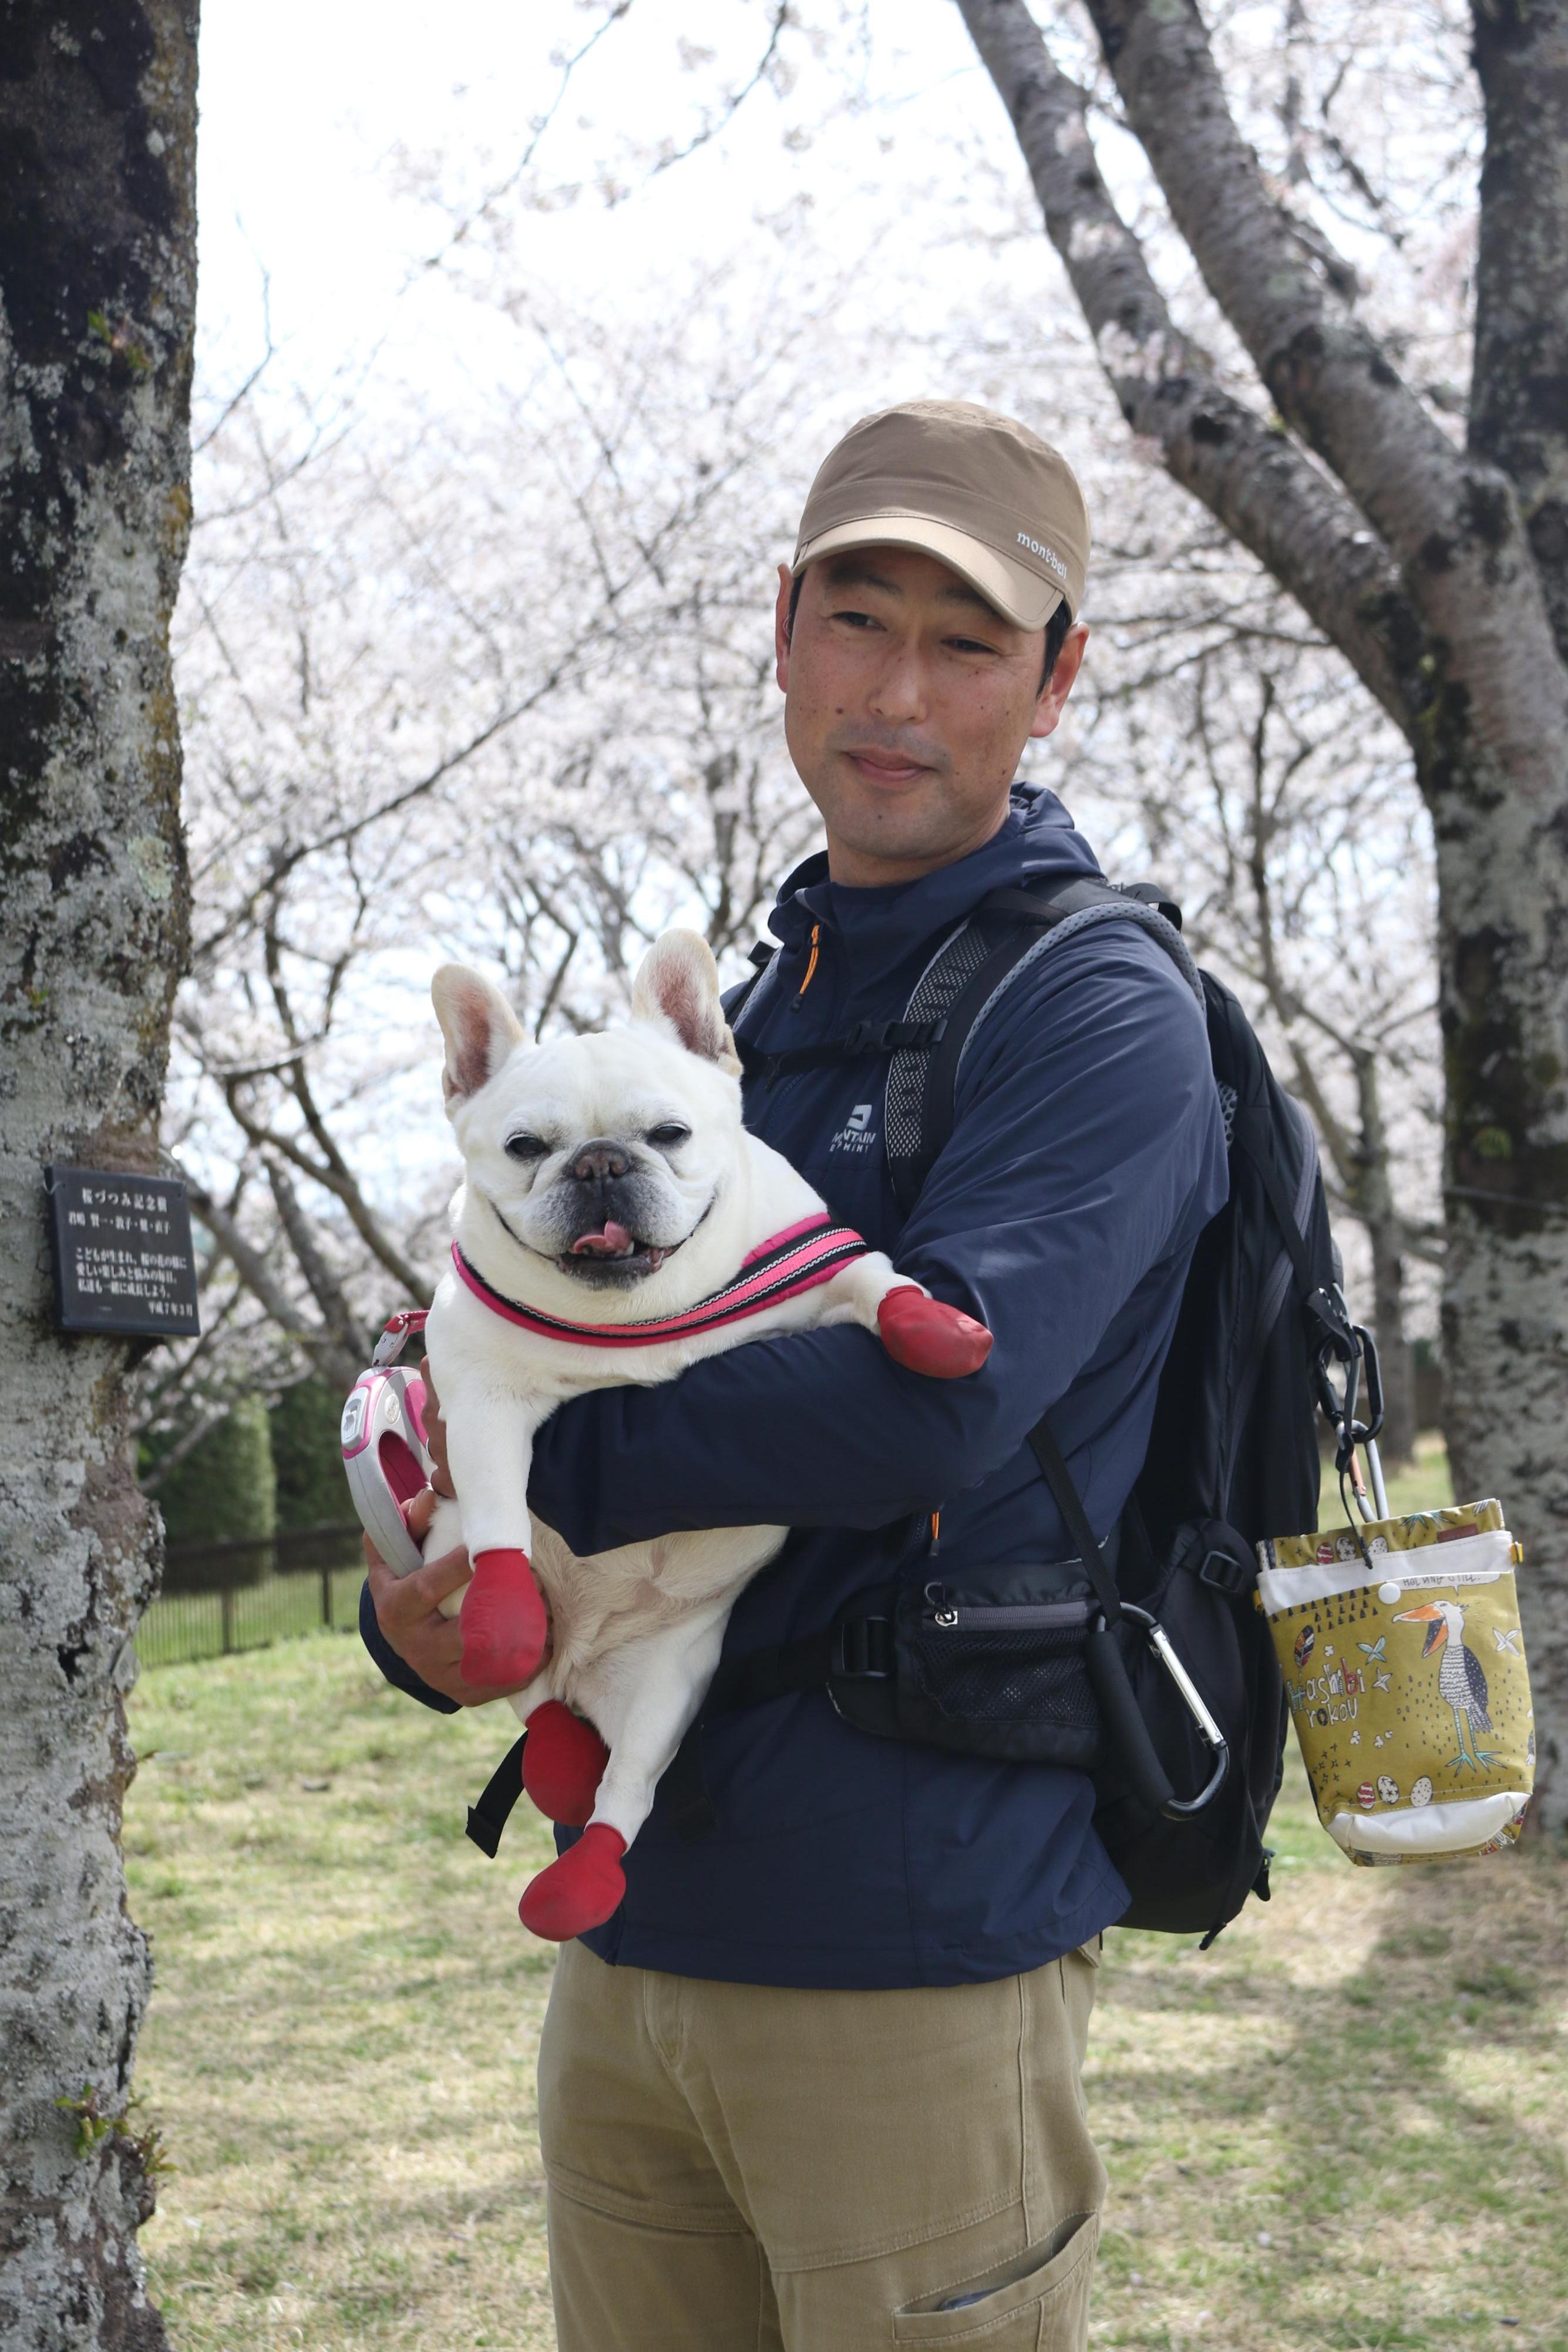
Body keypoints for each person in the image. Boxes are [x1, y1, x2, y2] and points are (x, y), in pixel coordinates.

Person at [362, 400, 1227, 2350]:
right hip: (640, 1923)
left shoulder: (1090, 1007)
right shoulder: (743, 1018)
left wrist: (532, 1490)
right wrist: (423, 1571)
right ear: (781, 633)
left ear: (1060, 678)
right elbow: (520, 1333)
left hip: (910, 1938)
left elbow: (937, 1398)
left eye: (971, 641)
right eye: (856, 621)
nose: (897, 689)